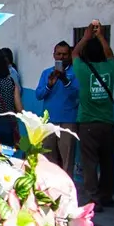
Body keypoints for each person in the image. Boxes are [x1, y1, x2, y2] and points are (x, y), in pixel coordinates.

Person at [72, 21, 114, 207]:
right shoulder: (110, 69)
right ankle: (107, 196)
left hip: (87, 123)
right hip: (108, 123)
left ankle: (93, 198)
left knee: (89, 162)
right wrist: (100, 36)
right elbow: (110, 55)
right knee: (108, 162)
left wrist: (85, 37)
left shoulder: (82, 70)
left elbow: (74, 54)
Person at [35, 41, 80, 174]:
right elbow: (39, 95)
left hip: (68, 121)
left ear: (70, 55)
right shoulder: (47, 73)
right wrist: (49, 85)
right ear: (54, 55)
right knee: (48, 159)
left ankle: (66, 186)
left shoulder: (76, 72)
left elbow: (78, 95)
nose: (61, 57)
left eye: (65, 54)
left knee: (67, 160)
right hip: (49, 121)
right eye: (59, 54)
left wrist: (65, 80)